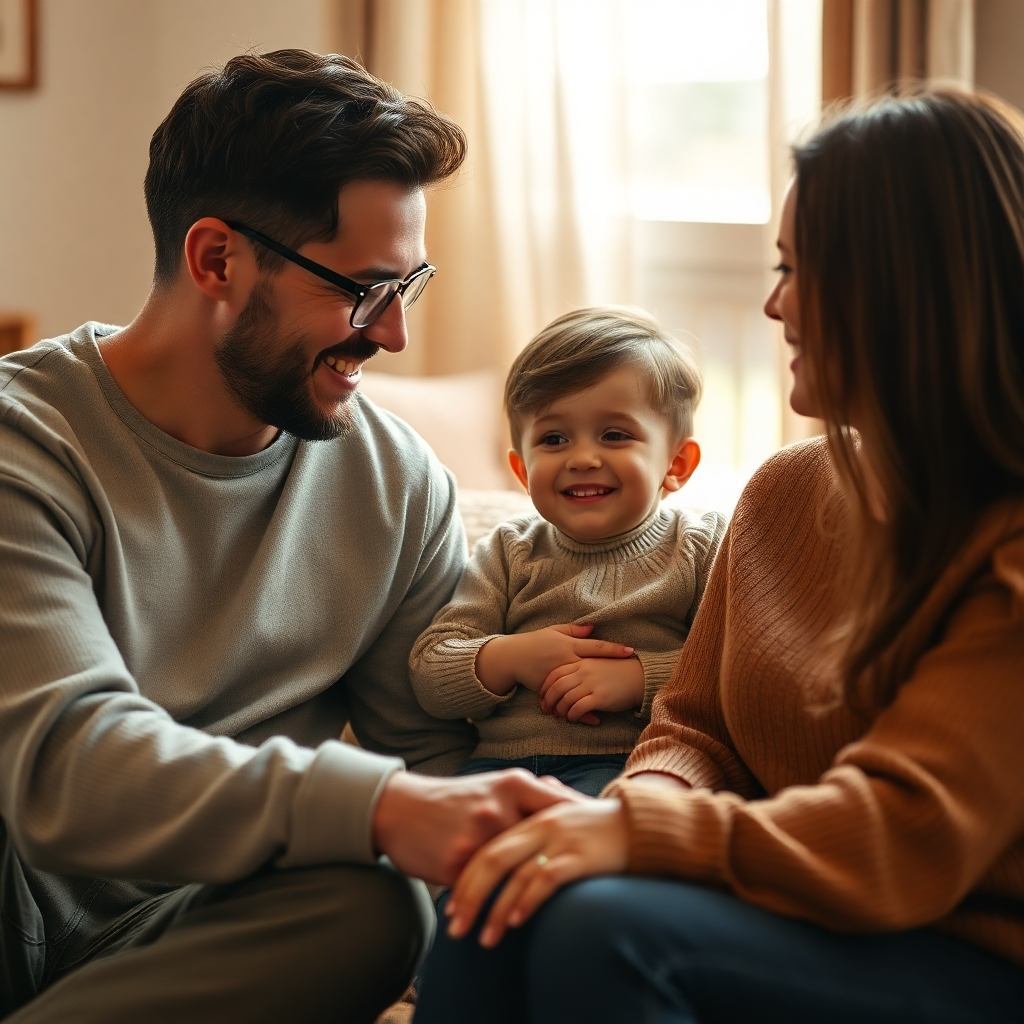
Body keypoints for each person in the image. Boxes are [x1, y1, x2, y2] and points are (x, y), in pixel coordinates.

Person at [414, 90, 1024, 1024]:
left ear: (907, 287)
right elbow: (696, 728)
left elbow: (904, 832)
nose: (774, 304)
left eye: (800, 269)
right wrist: (620, 809)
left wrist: (638, 835)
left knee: (600, 930)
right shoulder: (783, 493)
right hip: (792, 904)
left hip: (965, 947)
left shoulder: (1007, 544)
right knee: (505, 895)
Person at [0, 50, 579, 1024]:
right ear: (216, 261)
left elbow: (432, 762)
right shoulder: (26, 443)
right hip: (14, 887)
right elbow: (67, 766)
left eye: (408, 286)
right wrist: (375, 805)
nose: (393, 335)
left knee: (374, 904)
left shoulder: (395, 484)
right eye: (364, 290)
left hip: (195, 928)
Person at [409, 307, 725, 798]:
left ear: (676, 463)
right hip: (499, 769)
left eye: (615, 435)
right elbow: (431, 671)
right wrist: (510, 657)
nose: (582, 458)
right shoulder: (509, 550)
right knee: (437, 839)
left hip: (629, 765)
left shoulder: (699, 545)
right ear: (522, 471)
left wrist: (641, 679)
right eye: (553, 439)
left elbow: (734, 670)